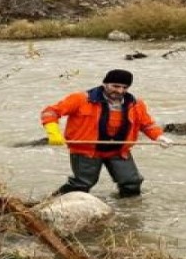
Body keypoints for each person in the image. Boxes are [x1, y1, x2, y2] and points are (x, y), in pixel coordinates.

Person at [40, 69, 173, 197]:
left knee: (131, 183)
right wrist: (53, 132)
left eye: (124, 87)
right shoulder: (80, 99)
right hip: (86, 150)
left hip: (119, 151)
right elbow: (51, 111)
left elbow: (147, 125)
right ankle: (52, 202)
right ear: (105, 84)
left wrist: (159, 137)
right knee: (82, 184)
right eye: (115, 86)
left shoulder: (136, 104)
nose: (120, 91)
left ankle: (128, 211)